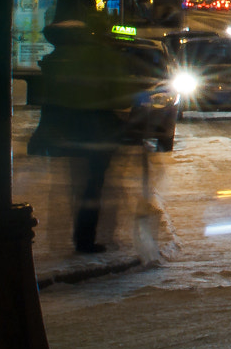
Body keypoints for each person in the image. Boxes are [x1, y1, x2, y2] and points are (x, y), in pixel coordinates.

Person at [32, 16, 160, 253]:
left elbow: (48, 100)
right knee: (94, 186)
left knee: (75, 184)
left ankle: (69, 236)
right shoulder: (101, 57)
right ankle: (87, 239)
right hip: (98, 131)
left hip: (67, 131)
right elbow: (119, 93)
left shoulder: (54, 60)